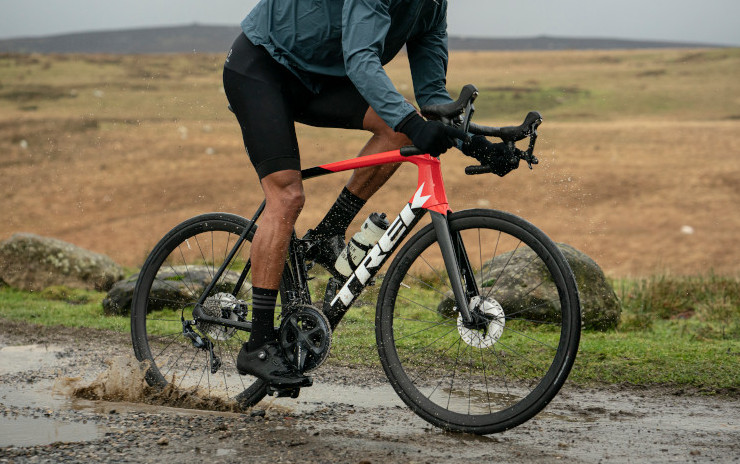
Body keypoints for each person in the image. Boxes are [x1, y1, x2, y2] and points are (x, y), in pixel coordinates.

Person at [223, 0, 516, 389]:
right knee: (287, 196)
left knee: (398, 129)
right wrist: (414, 122)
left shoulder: (431, 7)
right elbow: (362, 60)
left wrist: (478, 144)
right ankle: (257, 346)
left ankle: (329, 233)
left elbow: (432, 97)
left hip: (319, 78)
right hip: (262, 67)